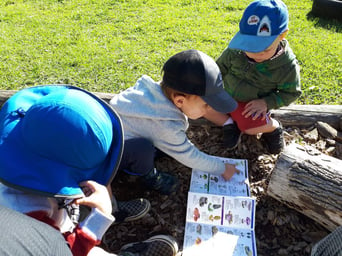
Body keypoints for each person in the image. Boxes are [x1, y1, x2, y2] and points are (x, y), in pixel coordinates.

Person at [0, 85, 179, 256]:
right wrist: (100, 217)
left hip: (65, 212)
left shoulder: (30, 145)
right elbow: (68, 250)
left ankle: (114, 210)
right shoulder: (33, 218)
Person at [109, 49, 239, 196]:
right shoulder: (165, 126)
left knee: (146, 146)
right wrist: (222, 168)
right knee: (142, 149)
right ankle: (148, 176)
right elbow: (189, 156)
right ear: (179, 100)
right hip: (109, 156)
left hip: (119, 134)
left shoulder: (153, 94)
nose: (210, 109)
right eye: (205, 105)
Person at [204, 0, 301, 154]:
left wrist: (265, 102)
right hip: (226, 95)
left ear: (282, 35)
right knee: (203, 106)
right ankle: (229, 124)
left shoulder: (286, 66)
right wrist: (210, 88)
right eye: (250, 47)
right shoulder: (235, 52)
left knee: (249, 128)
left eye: (264, 49)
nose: (256, 54)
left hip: (249, 106)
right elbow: (218, 69)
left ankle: (274, 128)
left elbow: (291, 93)